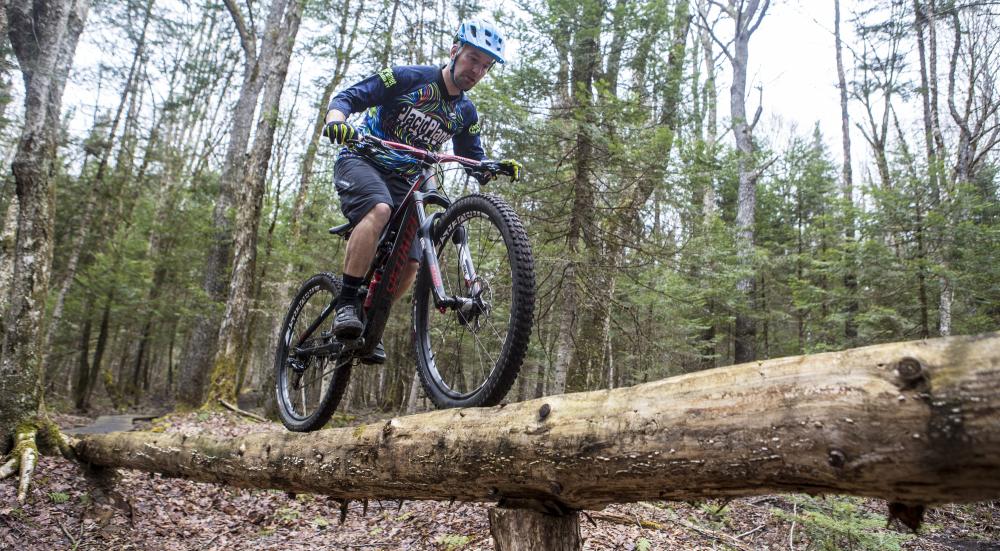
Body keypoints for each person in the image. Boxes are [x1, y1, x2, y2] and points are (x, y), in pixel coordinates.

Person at [322, 19, 522, 364]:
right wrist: (335, 120)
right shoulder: (407, 77)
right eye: (473, 59)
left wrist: (490, 168)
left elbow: (472, 158)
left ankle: (370, 319)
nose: (477, 70)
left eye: (485, 66)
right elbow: (349, 97)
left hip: (406, 180)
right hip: (362, 159)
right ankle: (346, 303)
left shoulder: (465, 113)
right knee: (379, 210)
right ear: (454, 51)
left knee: (411, 263)